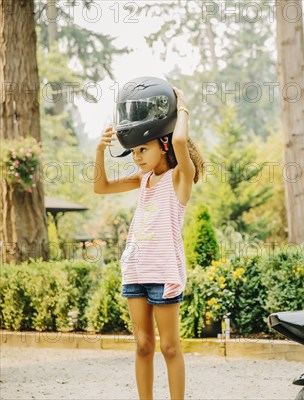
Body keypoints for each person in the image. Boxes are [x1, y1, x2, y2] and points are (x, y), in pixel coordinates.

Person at [94, 77, 204, 400]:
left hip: (164, 274)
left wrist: (181, 108)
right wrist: (100, 150)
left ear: (163, 144)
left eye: (144, 149)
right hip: (137, 272)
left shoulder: (181, 179)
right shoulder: (142, 180)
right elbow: (100, 187)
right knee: (142, 345)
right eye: (133, 151)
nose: (137, 156)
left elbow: (182, 142)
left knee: (170, 347)